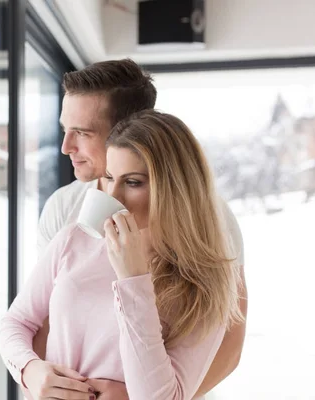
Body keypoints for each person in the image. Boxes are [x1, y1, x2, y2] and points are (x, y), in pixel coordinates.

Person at [31, 59, 248, 399]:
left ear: (128, 130)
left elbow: (229, 345)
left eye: (83, 133)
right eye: (64, 130)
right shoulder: (64, 208)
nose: (66, 147)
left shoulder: (205, 219)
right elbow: (44, 320)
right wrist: (36, 377)